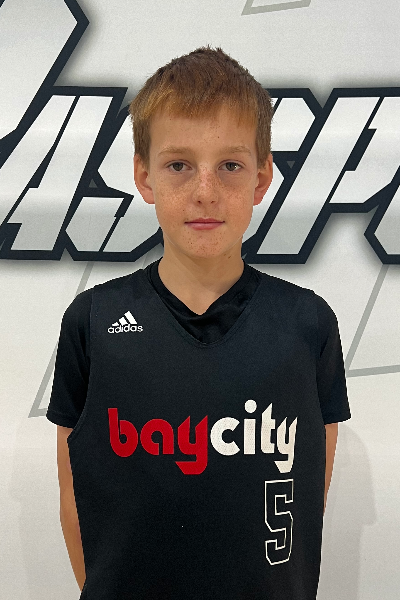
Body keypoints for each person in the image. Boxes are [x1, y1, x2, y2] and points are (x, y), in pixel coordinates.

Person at [46, 45, 351, 600]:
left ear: (261, 179)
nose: (205, 191)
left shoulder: (308, 324)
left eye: (229, 166)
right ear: (145, 177)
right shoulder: (93, 321)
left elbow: (309, 498)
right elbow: (75, 502)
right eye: (179, 165)